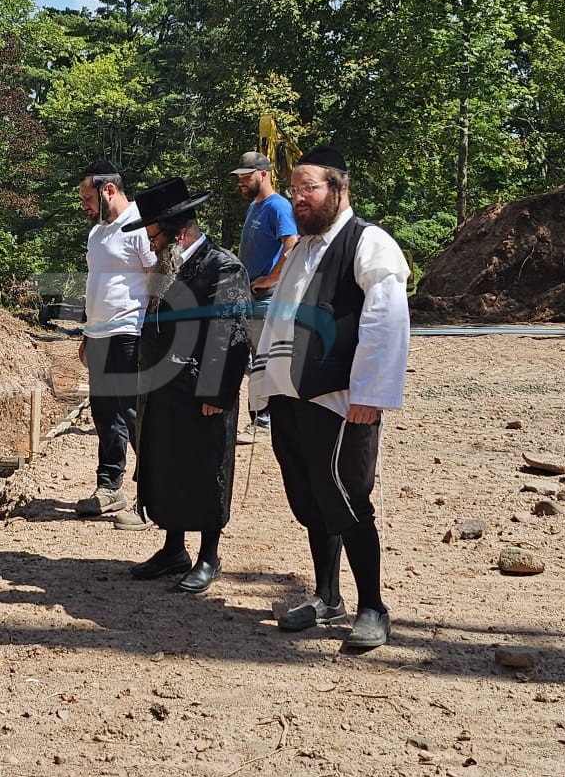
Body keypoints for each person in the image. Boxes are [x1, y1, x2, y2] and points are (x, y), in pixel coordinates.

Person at [247, 146, 411, 652]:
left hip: (342, 398)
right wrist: (264, 386)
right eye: (294, 189)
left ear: (339, 189)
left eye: (309, 188)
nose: (299, 198)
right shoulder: (301, 248)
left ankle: (373, 608)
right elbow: (280, 318)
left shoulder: (370, 243)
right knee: (312, 499)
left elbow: (386, 320)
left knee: (348, 498)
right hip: (292, 396)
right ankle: (326, 596)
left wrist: (371, 394)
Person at [122, 179, 252, 594]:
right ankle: (173, 547)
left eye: (154, 236)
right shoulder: (168, 265)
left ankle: (208, 554)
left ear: (178, 233)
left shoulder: (223, 266)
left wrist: (216, 392)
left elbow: (228, 333)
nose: (150, 245)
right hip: (163, 389)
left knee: (204, 467)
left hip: (201, 392)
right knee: (166, 464)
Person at [78, 159, 156, 517]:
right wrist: (86, 331)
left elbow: (158, 280)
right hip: (98, 335)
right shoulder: (98, 233)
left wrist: (156, 331)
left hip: (129, 333)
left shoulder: (140, 225)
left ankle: (155, 488)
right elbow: (96, 283)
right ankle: (110, 486)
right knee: (104, 413)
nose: (85, 205)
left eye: (88, 196)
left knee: (132, 412)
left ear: (109, 189)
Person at [234, 150, 298, 441]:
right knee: (254, 357)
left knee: (265, 357)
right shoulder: (254, 207)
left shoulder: (278, 207)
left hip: (267, 297)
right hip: (251, 297)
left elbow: (291, 244)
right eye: (240, 179)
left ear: (264, 174)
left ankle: (264, 420)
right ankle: (258, 417)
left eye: (246, 177)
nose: (241, 183)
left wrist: (271, 278)